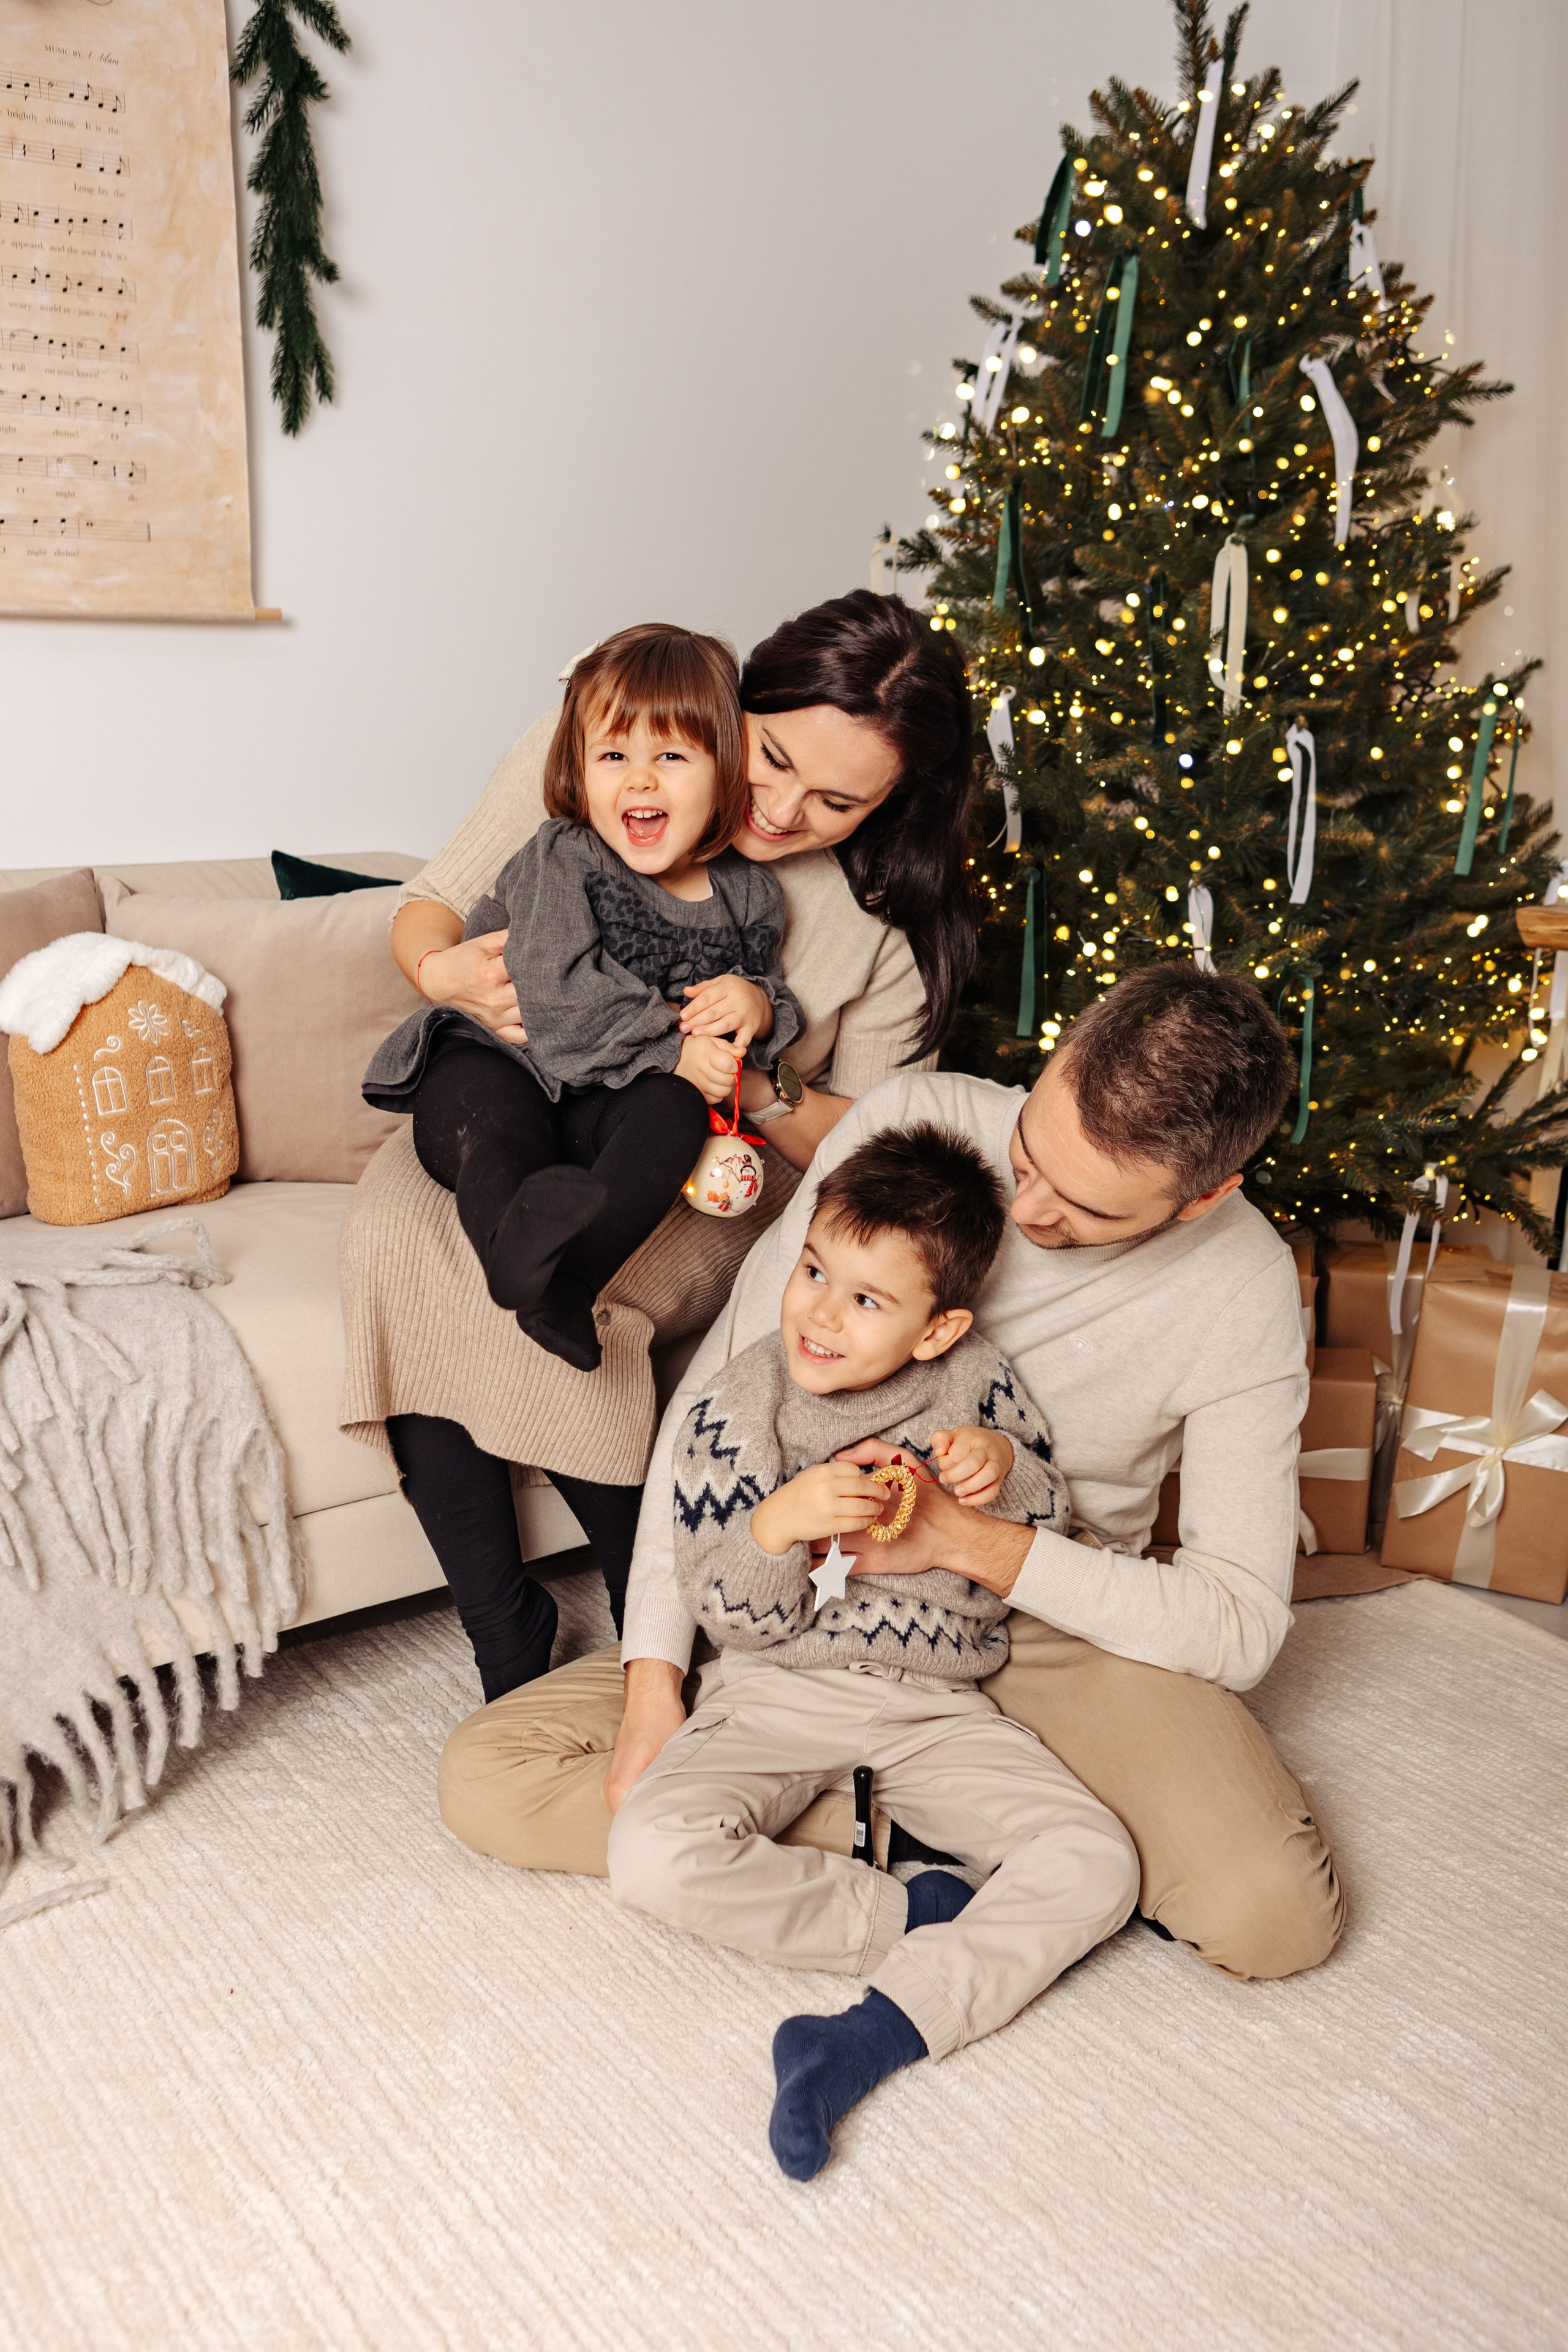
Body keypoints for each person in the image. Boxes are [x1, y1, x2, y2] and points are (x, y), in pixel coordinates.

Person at [437, 963, 1347, 1983]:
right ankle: (939, 1858)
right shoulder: (918, 1125)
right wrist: (654, 1678)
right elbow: (717, 1408)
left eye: (1084, 1210)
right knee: (492, 1778)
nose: (1029, 1210)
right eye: (1030, 1157)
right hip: (800, 1589)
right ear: (1057, 1061)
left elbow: (1240, 1624)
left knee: (1272, 1918)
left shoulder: (1244, 1285)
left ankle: (956, 1822)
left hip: (1037, 1603)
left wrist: (972, 1543)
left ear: (1203, 1199)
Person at [340, 591, 976, 1700]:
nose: (777, 808)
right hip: (507, 1101)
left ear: (888, 806)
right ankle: (505, 1623)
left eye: (835, 801)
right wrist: (444, 977)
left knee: (585, 1295)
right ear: (739, 706)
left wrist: (755, 1074)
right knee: (402, 1242)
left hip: (699, 1163)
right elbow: (432, 907)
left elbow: (870, 1141)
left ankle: (652, 1624)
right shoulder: (621, 755)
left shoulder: (872, 934)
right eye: (768, 757)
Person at [607, 1125, 1137, 2179]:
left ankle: (864, 2037)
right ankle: (919, 1912)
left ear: (938, 1331)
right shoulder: (736, 1404)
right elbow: (728, 1609)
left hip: (938, 1703)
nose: (819, 1312)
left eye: (866, 1299)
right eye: (815, 1271)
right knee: (650, 1851)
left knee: (1098, 1863)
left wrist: (1003, 1473)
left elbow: (1051, 1519)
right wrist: (778, 1525)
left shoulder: (977, 1385)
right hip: (777, 1689)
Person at [363, 625, 804, 1384]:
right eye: (613, 757)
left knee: (672, 1112)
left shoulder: (749, 897)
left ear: (724, 770)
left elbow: (733, 1047)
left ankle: (563, 1286)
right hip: (498, 1065)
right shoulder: (562, 857)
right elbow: (554, 993)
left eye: (669, 756)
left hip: (595, 1111)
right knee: (497, 1126)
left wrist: (757, 1006)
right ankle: (509, 1243)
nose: (639, 780)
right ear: (578, 769)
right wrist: (672, 1049)